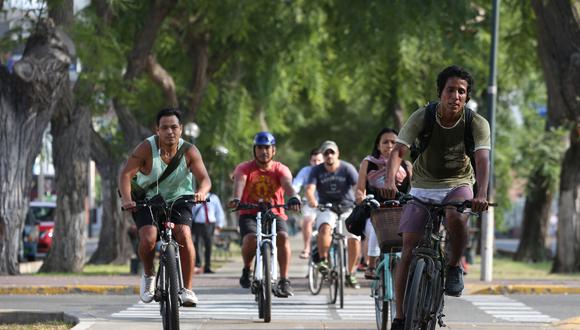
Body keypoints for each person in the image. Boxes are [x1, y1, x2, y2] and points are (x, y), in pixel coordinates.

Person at [384, 65, 490, 330]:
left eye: (461, 92)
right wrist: (389, 181)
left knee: (457, 217)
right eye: (450, 90)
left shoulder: (476, 122)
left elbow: (482, 158)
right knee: (408, 248)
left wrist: (482, 193)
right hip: (422, 185)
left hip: (458, 183)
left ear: (466, 97)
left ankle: (453, 266)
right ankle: (399, 316)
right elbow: (399, 151)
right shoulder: (423, 116)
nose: (455, 96)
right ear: (441, 93)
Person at [119, 108, 211, 307]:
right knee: (149, 238)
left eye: (174, 127)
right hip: (149, 200)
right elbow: (125, 175)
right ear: (157, 130)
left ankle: (187, 289)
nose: (170, 131)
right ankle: (149, 275)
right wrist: (127, 199)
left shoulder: (189, 151)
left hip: (181, 199)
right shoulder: (146, 148)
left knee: (184, 234)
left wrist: (202, 192)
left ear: (181, 129)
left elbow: (205, 179)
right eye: (165, 127)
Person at [228, 132, 301, 297]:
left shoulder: (280, 169)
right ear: (254, 150)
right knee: (251, 239)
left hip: (275, 212)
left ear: (273, 150)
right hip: (249, 212)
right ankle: (247, 269)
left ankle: (284, 279)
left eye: (267, 147)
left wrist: (294, 197)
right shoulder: (244, 168)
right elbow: (239, 182)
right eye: (260, 147)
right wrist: (237, 199)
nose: (263, 151)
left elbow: (288, 183)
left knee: (282, 236)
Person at [354, 128, 412, 280]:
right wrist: (362, 198)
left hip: (400, 212)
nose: (389, 145)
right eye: (385, 142)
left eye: (394, 142)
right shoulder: (368, 163)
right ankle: (371, 266)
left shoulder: (407, 166)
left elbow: (414, 190)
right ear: (378, 146)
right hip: (375, 211)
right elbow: (360, 190)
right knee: (375, 227)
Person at [305, 140, 362, 289]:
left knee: (354, 238)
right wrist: (312, 201)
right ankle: (323, 261)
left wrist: (360, 198)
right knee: (324, 227)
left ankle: (350, 273)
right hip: (327, 207)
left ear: (337, 154)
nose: (329, 155)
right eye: (326, 153)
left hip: (347, 207)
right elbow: (310, 189)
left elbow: (358, 187)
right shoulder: (316, 170)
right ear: (323, 156)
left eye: (332, 152)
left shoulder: (347, 168)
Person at [292, 149, 323, 259]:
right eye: (314, 160)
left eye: (319, 160)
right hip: (309, 204)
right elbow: (295, 185)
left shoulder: (327, 171)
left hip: (325, 204)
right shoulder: (305, 171)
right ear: (310, 161)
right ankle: (307, 248)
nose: (317, 163)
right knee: (307, 221)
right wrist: (295, 196)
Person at [192, 191, 225, 274]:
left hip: (210, 224)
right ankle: (198, 265)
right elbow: (191, 211)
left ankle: (208, 266)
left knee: (209, 245)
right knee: (197, 244)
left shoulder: (214, 197)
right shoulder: (195, 196)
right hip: (198, 223)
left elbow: (219, 211)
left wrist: (220, 224)